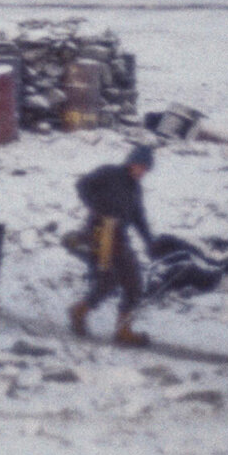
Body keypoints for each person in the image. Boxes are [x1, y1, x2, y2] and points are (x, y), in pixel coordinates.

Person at [67, 143, 156, 346]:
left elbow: (138, 217)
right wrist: (97, 206)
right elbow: (82, 185)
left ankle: (121, 329)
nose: (142, 171)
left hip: (119, 236)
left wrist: (149, 240)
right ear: (131, 162)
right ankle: (80, 312)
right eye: (140, 166)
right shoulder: (109, 173)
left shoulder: (136, 189)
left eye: (146, 168)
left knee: (132, 282)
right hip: (98, 231)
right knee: (109, 280)